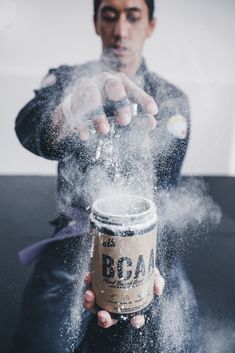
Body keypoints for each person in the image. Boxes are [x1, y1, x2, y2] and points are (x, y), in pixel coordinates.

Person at [12, 0, 201, 352]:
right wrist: (68, 110)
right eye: (110, 15)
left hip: (149, 245)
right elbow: (28, 126)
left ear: (151, 25)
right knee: (41, 341)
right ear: (96, 23)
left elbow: (164, 194)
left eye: (133, 16)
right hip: (73, 244)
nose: (121, 30)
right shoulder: (67, 80)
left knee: (184, 337)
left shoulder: (173, 101)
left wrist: (147, 261)